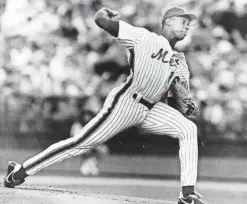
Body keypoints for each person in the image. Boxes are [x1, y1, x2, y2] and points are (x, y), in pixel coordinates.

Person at [3, 6, 206, 204]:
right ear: (168, 21)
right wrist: (103, 13)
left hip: (152, 108)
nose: (187, 26)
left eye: (189, 24)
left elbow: (177, 102)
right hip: (127, 102)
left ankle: (187, 195)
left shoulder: (179, 61)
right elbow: (102, 22)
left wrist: (184, 103)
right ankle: (20, 172)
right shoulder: (145, 37)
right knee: (81, 143)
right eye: (184, 21)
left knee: (188, 129)